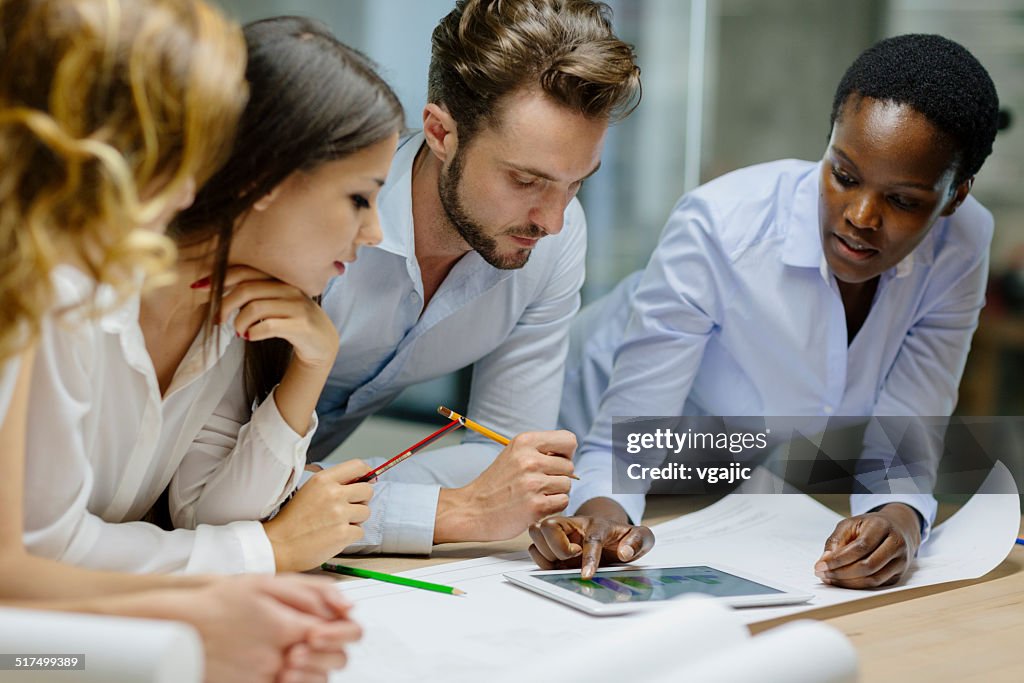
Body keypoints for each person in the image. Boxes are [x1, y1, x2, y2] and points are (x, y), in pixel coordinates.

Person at [533, 33, 1001, 587]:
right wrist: (605, 508)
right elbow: (619, 444)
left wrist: (897, 518)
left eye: (903, 200)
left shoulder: (962, 244)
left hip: (719, 468)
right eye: (844, 175)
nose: (861, 215)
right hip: (589, 437)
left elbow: (907, 438)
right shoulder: (720, 225)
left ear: (955, 196)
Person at [0, 1, 359, 681]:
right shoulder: (54, 292)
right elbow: (24, 578)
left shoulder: (33, 280)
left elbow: (14, 585)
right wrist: (199, 616)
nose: (195, 191)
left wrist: (205, 612)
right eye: (177, 156)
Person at [308, 0, 641, 555]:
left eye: (576, 183)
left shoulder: (555, 237)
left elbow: (507, 463)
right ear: (441, 132)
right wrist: (457, 510)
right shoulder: (320, 218)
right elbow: (215, 486)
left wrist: (330, 498)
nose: (553, 221)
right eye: (525, 180)